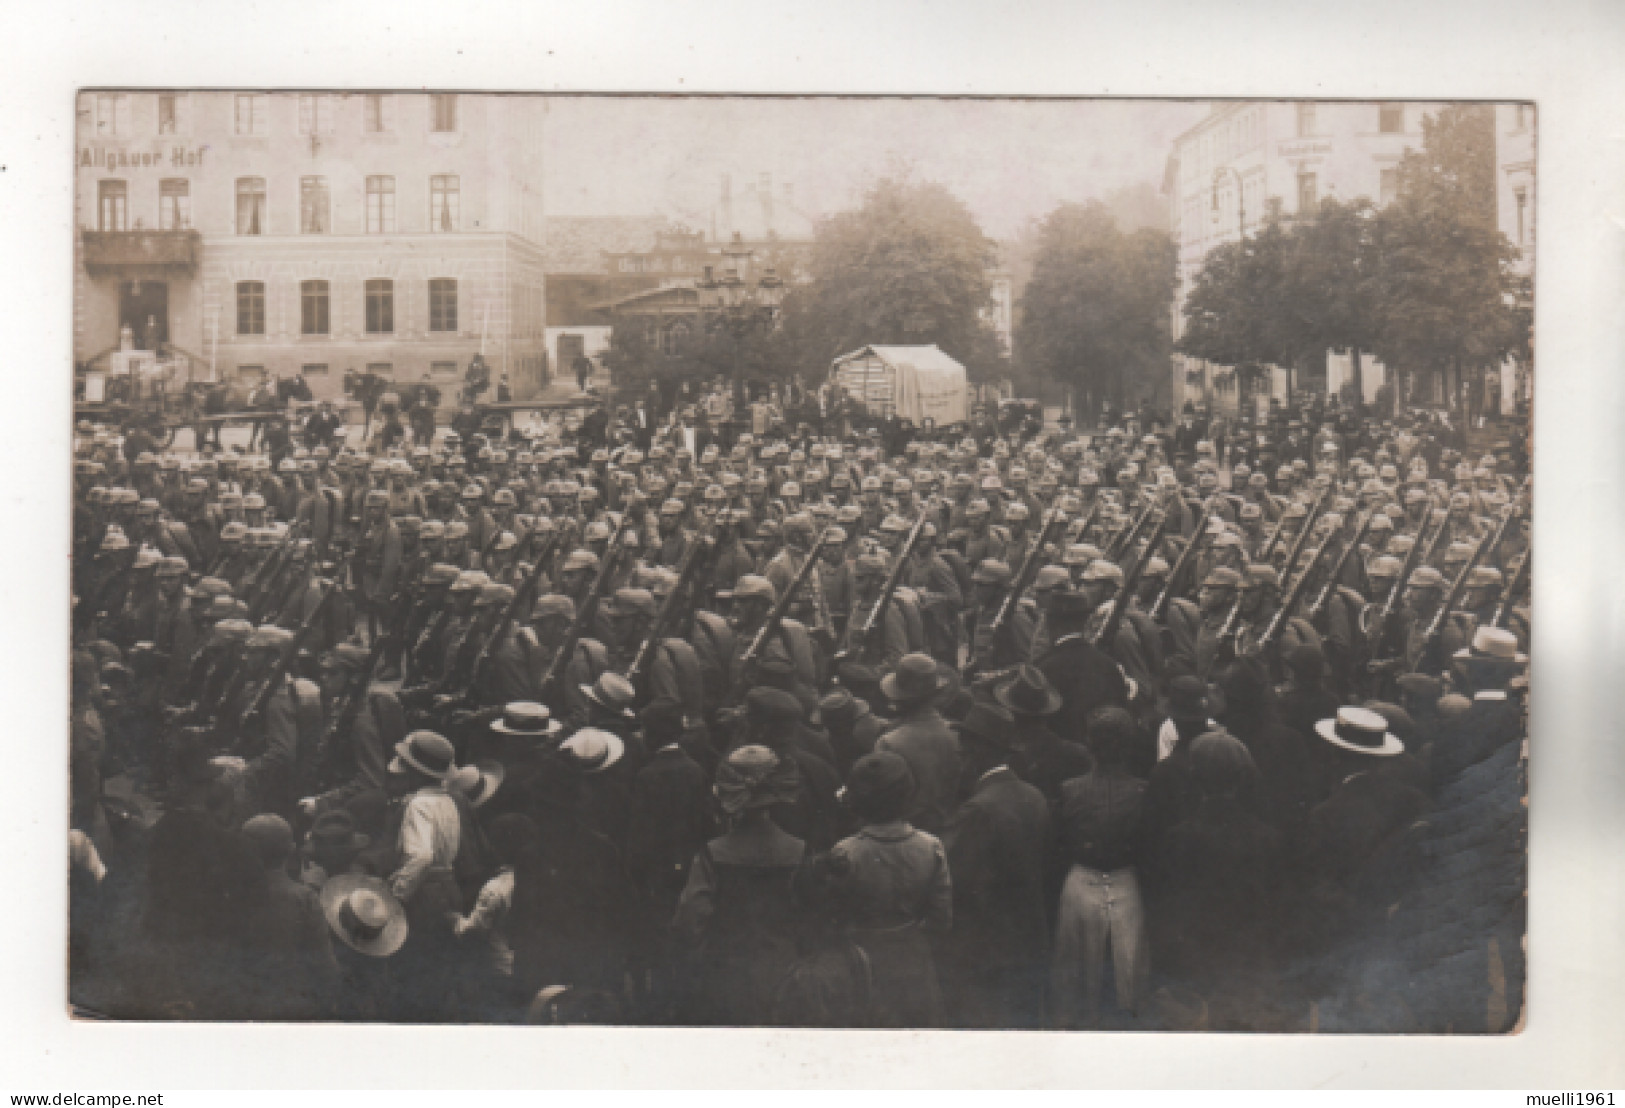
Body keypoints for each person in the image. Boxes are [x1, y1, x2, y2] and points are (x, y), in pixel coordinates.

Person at [671, 745, 806, 1025]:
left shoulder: (713, 853)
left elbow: (690, 919)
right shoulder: (800, 851)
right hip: (786, 973)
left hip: (725, 975)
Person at [937, 702, 1050, 1028]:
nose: (960, 756)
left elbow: (959, 881)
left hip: (989, 951)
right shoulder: (1034, 796)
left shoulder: (978, 809)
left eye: (965, 748)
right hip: (1030, 942)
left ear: (979, 749)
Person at [829, 751, 953, 1027]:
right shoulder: (931, 846)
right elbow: (941, 919)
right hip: (913, 956)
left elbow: (835, 914)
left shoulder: (846, 852)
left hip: (861, 960)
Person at [1051, 706, 1151, 1028]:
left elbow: (1059, 844)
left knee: (1077, 979)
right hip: (1125, 883)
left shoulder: (1070, 790)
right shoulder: (1142, 792)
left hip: (1081, 883)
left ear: (1090, 744)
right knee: (1129, 973)